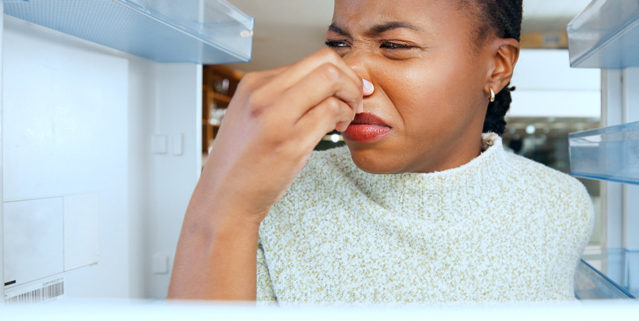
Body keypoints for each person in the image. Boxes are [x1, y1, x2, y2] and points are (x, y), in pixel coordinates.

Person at [168, 0, 593, 304]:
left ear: (497, 64)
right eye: (338, 45)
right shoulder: (274, 196)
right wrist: (225, 202)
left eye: (394, 46)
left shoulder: (560, 204)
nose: (348, 77)